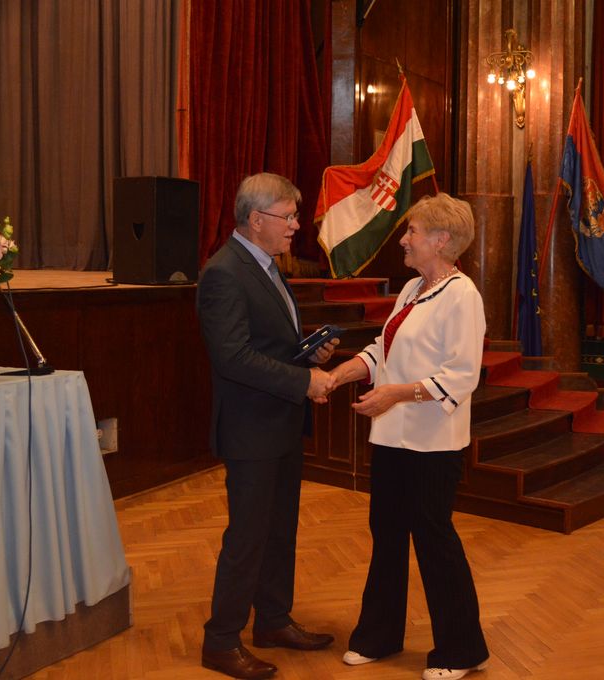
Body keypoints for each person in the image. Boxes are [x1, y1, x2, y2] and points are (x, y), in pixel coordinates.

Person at [327, 193, 490, 680]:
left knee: (435, 541)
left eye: (412, 231)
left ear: (441, 240)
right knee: (388, 536)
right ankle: (379, 636)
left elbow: (462, 375)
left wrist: (395, 395)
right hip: (391, 439)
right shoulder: (413, 289)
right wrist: (341, 374)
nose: (404, 239)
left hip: (433, 445)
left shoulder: (462, 295)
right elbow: (384, 348)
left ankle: (461, 651)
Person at [196, 172, 338, 680]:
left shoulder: (266, 264)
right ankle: (220, 641)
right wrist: (304, 381)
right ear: (256, 220)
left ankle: (273, 621)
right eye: (288, 217)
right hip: (251, 428)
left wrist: (307, 356)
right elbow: (232, 357)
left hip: (280, 422)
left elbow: (268, 344)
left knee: (279, 531)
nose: (296, 226)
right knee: (248, 538)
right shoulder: (224, 273)